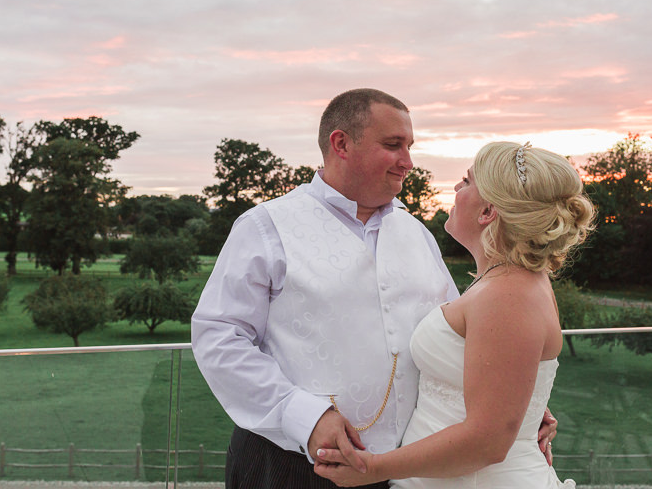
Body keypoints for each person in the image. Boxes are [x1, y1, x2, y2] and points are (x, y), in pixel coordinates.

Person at [191, 89, 557, 489]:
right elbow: (219, 338)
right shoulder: (265, 227)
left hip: (405, 470)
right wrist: (304, 417)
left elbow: (469, 339)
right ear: (341, 143)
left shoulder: (419, 235)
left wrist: (516, 399)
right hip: (289, 467)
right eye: (393, 145)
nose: (408, 162)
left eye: (410, 147)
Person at [313, 141, 594, 488]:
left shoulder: (508, 294)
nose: (457, 189)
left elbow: (486, 442)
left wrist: (373, 467)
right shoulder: (505, 283)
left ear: (488, 211)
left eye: (466, 181)